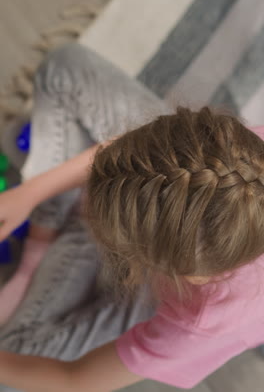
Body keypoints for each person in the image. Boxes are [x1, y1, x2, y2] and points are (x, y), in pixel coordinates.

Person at [0, 42, 263, 391]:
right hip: (184, 225)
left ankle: (63, 239)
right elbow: (128, 147)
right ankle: (45, 240)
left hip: (187, 301)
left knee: (16, 359)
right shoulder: (244, 154)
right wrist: (31, 194)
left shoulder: (201, 325)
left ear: (181, 274)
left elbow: (73, 378)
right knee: (66, 66)